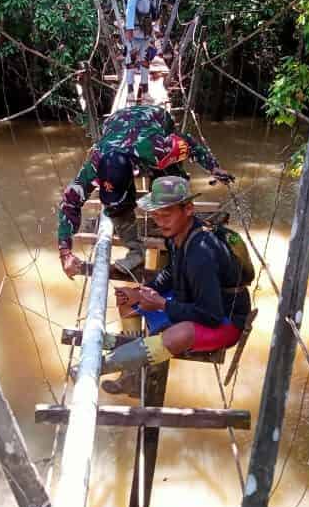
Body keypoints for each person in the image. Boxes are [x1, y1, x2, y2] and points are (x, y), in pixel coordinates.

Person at [84, 176, 252, 396]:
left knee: (178, 335)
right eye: (156, 215)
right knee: (128, 299)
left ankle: (95, 369)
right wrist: (144, 291)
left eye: (167, 214)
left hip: (225, 321)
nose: (161, 222)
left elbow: (211, 315)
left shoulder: (201, 253)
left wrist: (162, 304)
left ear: (188, 209)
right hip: (192, 300)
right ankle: (133, 376)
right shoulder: (176, 236)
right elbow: (172, 272)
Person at [58, 105, 234, 278]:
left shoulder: (159, 150)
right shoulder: (96, 161)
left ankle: (178, 243)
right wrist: (65, 252)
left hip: (156, 119)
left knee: (167, 187)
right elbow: (69, 202)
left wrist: (214, 168)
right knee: (116, 206)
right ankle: (136, 250)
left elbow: (188, 143)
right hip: (116, 121)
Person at [124, 0, 163, 103]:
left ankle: (145, 92)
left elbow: (152, 15)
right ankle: (130, 93)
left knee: (145, 62)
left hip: (145, 34)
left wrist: (154, 31)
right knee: (131, 62)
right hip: (134, 32)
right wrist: (128, 28)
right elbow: (130, 8)